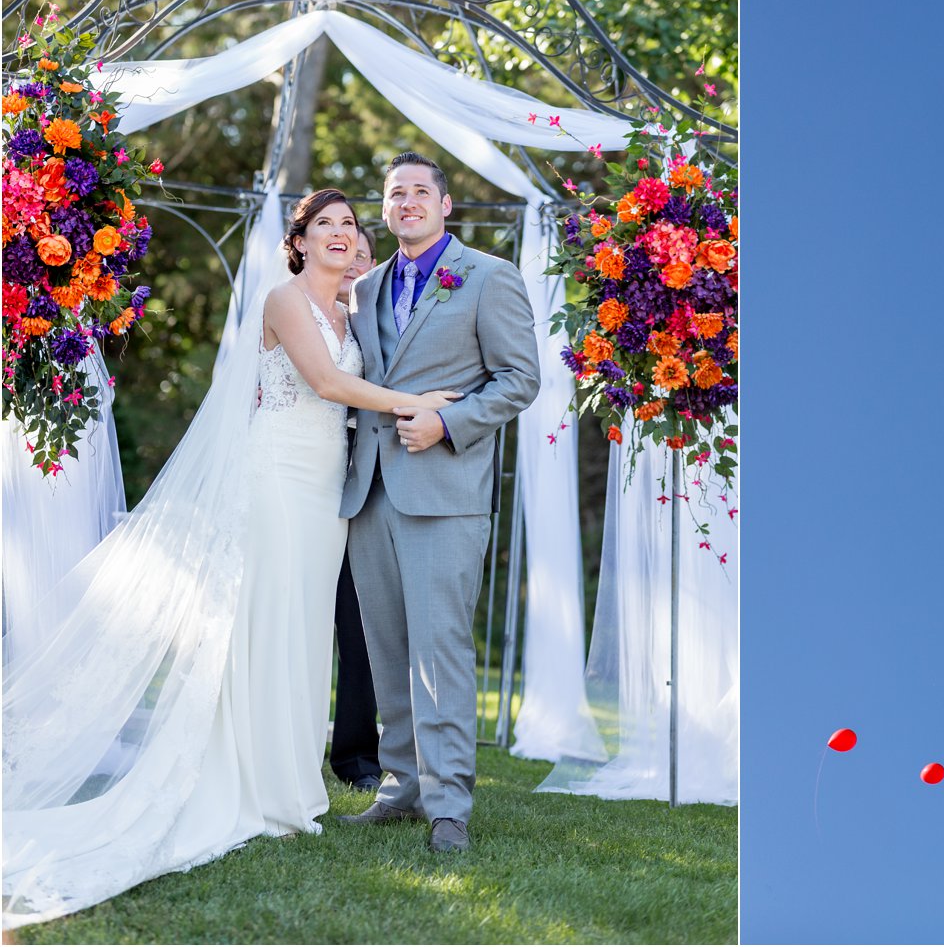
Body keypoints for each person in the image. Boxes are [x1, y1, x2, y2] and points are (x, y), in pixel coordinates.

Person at [1, 189, 460, 929]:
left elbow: (357, 378)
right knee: (266, 621)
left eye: (349, 224)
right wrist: (415, 402)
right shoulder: (284, 301)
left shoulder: (351, 313)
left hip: (324, 493)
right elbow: (327, 383)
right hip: (277, 476)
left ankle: (292, 783)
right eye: (326, 226)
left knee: (305, 629)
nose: (341, 234)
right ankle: (252, 783)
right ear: (300, 241)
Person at [334, 152, 541, 853]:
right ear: (387, 209)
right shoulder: (362, 288)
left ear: (445, 204)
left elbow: (518, 378)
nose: (408, 201)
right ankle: (400, 783)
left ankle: (449, 800)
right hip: (369, 492)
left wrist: (447, 423)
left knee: (441, 648)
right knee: (386, 647)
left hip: (445, 491)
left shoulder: (489, 277)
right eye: (396, 193)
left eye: (421, 190)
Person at [327, 230, 382, 793]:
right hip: (303, 472)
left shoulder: (375, 326)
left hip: (363, 482)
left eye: (365, 258)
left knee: (359, 621)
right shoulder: (297, 308)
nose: (355, 265)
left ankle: (357, 756)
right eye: (349, 255)